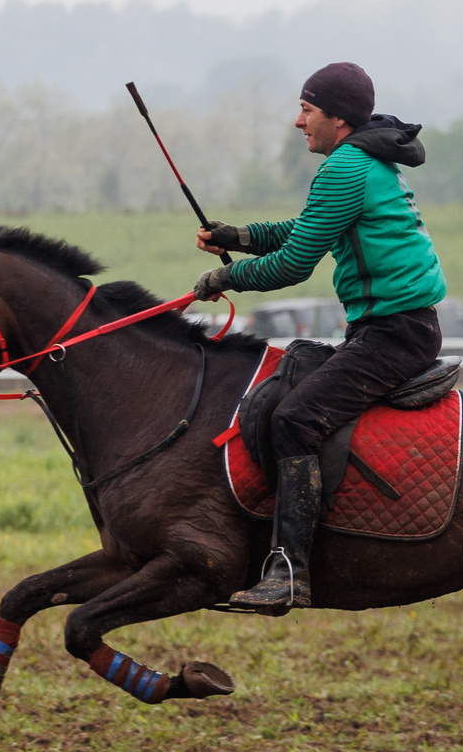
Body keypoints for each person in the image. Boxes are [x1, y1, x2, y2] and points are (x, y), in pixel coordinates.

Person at [190, 61, 447, 613]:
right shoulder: (359, 163)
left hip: (394, 336)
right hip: (393, 330)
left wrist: (226, 277)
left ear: (338, 118)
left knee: (295, 419)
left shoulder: (347, 168)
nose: (298, 122)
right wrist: (240, 236)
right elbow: (305, 229)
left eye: (307, 110)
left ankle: (290, 572)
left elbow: (294, 264)